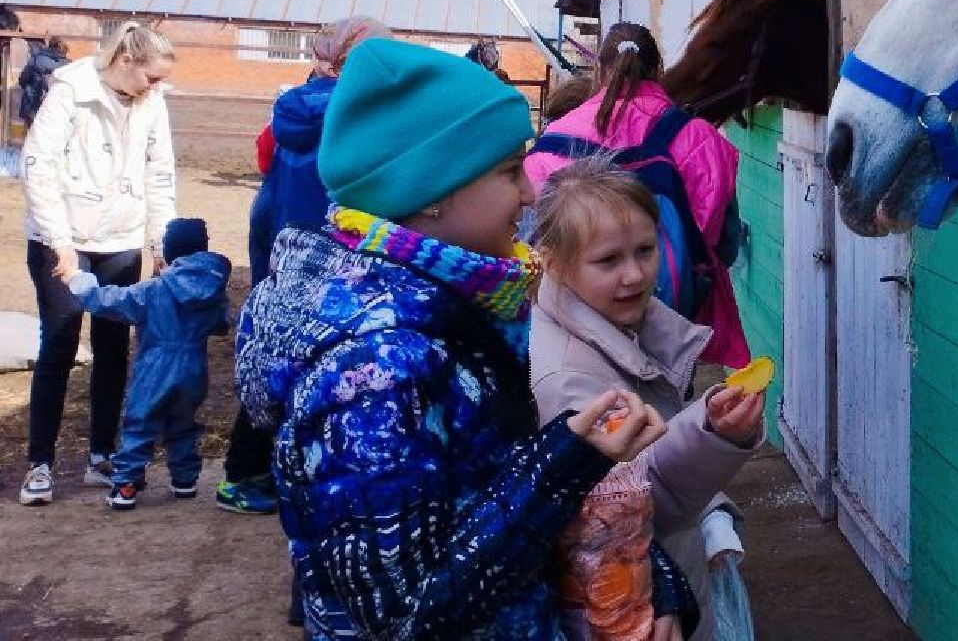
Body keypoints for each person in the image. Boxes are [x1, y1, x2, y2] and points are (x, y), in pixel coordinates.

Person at [234, 37, 656, 638]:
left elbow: (487, 484)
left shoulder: (448, 305)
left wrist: (643, 566)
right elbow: (407, 615)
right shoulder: (375, 370)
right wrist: (563, 466)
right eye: (512, 171)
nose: (533, 193)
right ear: (430, 192)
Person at [531, 157, 765, 641]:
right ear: (553, 262)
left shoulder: (622, 323)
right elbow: (629, 504)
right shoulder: (568, 378)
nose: (635, 275)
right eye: (609, 261)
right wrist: (712, 432)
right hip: (638, 606)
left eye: (645, 250)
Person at [219, 15, 389, 516]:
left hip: (284, 250)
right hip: (333, 253)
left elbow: (267, 178)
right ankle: (252, 473)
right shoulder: (362, 117)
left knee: (279, 358)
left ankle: (255, 471)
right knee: (322, 361)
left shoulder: (289, 110)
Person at [524, 23, 749, 368]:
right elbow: (725, 247)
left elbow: (532, 242)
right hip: (672, 332)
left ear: (599, 70)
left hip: (575, 335)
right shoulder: (700, 138)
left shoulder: (553, 139)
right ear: (658, 71)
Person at [18, 20, 177, 507]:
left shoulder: (152, 102)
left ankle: (101, 455)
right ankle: (40, 464)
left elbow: (160, 173)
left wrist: (159, 243)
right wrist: (59, 242)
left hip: (121, 237)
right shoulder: (70, 91)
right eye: (152, 76)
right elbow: (38, 164)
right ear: (125, 62)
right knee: (61, 340)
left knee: (112, 345)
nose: (157, 86)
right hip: (63, 234)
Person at [67, 217, 230, 510]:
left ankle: (126, 484)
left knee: (140, 422)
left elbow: (111, 301)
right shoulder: (213, 287)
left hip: (155, 364)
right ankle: (185, 480)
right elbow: (220, 325)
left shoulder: (156, 290)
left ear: (170, 252)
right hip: (194, 364)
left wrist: (82, 284)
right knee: (182, 423)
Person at [17, 35, 70, 128]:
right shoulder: (68, 65)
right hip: (56, 109)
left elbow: (23, 80)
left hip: (33, 106)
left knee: (31, 138)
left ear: (49, 46)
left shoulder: (36, 59)